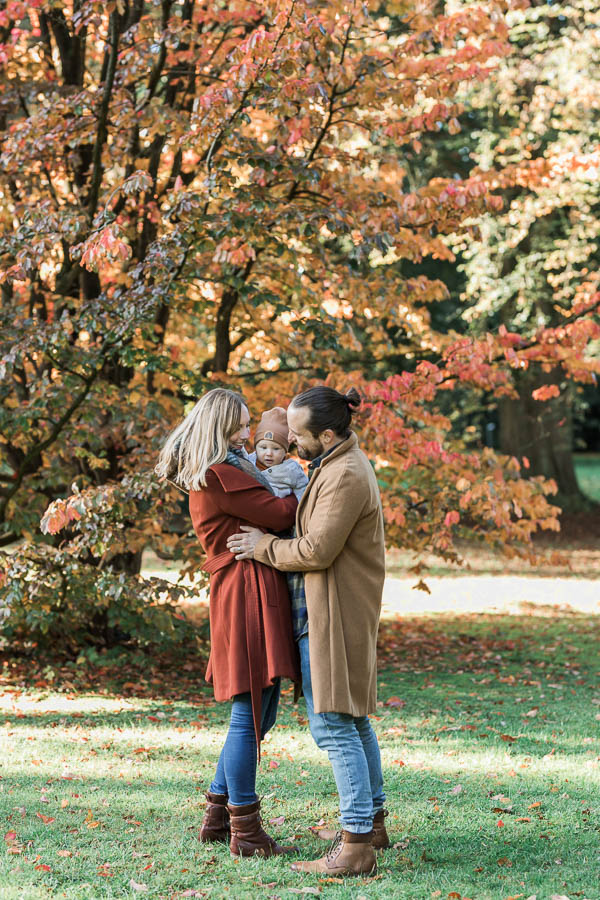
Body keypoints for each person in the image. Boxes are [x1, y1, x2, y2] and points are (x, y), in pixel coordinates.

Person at [227, 385, 389, 877]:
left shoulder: (343, 474)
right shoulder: (332, 465)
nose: (291, 442)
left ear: (326, 433)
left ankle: (357, 844)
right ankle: (372, 825)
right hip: (327, 608)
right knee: (353, 719)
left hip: (333, 614)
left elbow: (316, 549)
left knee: (334, 725)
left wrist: (260, 546)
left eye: (298, 434)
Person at [155, 388, 300, 858]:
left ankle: (219, 814)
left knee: (262, 709)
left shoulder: (227, 471)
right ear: (218, 427)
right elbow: (279, 513)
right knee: (250, 711)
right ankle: (246, 829)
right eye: (239, 425)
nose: (247, 434)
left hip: (249, 587)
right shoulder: (220, 475)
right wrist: (308, 488)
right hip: (246, 592)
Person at [249, 406, 308, 501]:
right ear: (256, 448)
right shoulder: (248, 462)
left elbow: (303, 491)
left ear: (285, 451)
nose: (269, 453)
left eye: (276, 449)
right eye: (263, 448)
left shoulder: (292, 469)